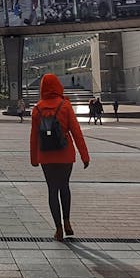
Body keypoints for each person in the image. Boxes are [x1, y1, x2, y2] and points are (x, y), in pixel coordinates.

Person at [29, 73, 90, 242]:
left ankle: (58, 229)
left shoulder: (37, 109)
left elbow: (34, 136)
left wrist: (34, 159)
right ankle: (68, 221)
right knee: (64, 187)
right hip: (65, 155)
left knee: (52, 190)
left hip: (46, 156)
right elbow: (76, 132)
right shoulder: (65, 106)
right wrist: (84, 156)